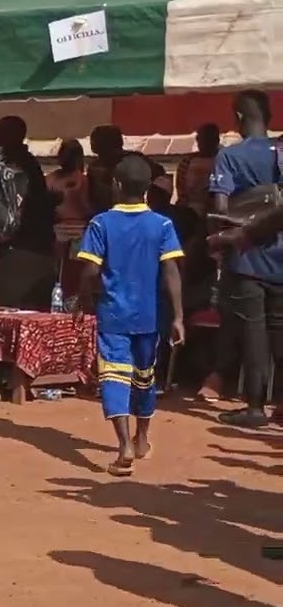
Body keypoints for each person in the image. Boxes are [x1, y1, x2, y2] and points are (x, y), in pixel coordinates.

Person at [76, 156, 185, 476]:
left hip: (113, 314)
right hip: (149, 317)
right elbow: (171, 272)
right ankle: (142, 439)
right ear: (149, 189)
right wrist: (178, 316)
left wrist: (83, 299)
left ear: (117, 186)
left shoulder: (100, 224)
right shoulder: (162, 224)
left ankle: (123, 444)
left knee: (113, 375)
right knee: (144, 377)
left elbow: (90, 271)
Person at [209, 91, 283, 428]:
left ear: (238, 116)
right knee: (280, 329)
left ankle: (254, 406)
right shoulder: (282, 150)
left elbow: (220, 210)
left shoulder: (230, 156)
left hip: (248, 255)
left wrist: (221, 240)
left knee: (253, 330)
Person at [0, 115, 56, 311]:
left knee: (10, 309)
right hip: (26, 245)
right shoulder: (26, 163)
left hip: (20, 246)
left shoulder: (14, 166)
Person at [49, 138, 90, 298]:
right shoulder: (52, 179)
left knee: (72, 272)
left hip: (77, 230)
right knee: (59, 272)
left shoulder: (82, 180)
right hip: (59, 230)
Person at [176, 123, 220, 215]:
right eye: (201, 140)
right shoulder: (187, 162)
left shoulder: (226, 161)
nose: (204, 144)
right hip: (190, 212)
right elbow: (181, 190)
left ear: (217, 141)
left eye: (209, 140)